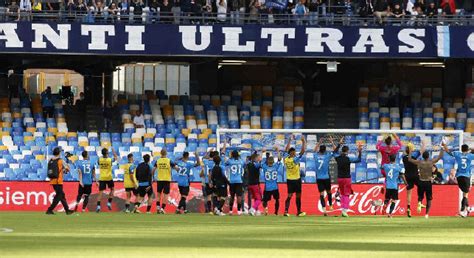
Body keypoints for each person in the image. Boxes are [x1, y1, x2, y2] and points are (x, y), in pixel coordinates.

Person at [408, 145, 445, 219]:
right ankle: (426, 214)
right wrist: (442, 148)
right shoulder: (431, 162)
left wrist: (410, 151)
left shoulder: (419, 162)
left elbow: (409, 160)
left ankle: (419, 202)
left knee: (420, 196)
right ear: (428, 157)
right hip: (428, 182)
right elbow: (440, 157)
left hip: (421, 181)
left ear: (422, 156)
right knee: (429, 199)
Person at [443, 144, 474, 217]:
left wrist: (444, 145)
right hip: (466, 176)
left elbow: (448, 151)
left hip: (459, 176)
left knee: (464, 193)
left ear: (461, 149)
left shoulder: (457, 154)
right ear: (467, 149)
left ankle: (467, 209)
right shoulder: (470, 155)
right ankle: (463, 211)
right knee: (465, 194)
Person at [334, 142, 363, 217]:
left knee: (342, 194)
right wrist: (359, 151)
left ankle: (342, 210)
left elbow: (334, 152)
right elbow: (359, 159)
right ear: (347, 151)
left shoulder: (337, 158)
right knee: (346, 194)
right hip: (347, 178)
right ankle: (345, 211)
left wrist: (339, 144)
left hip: (340, 178)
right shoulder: (349, 159)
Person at [314, 136, 341, 216]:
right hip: (326, 178)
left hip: (319, 178)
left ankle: (324, 210)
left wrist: (319, 143)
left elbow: (314, 150)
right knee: (329, 192)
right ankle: (330, 205)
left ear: (319, 150)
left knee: (321, 194)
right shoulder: (327, 156)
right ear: (325, 150)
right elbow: (335, 150)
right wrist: (332, 142)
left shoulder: (315, 156)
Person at [46, 147, 74, 215]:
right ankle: (50, 209)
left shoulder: (50, 160)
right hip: (58, 181)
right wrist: (65, 168)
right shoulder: (61, 160)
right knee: (59, 196)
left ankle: (67, 210)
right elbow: (67, 169)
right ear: (59, 153)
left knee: (62, 195)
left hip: (53, 180)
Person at [283, 134, 306, 217]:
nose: (295, 153)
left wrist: (289, 140)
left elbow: (286, 150)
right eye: (294, 152)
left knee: (289, 195)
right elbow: (302, 152)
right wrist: (303, 142)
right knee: (298, 196)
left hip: (289, 179)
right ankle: (299, 211)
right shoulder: (295, 159)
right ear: (292, 153)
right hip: (296, 179)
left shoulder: (286, 158)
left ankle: (286, 211)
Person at [401, 142, 424, 218]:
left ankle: (408, 208)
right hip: (415, 175)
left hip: (408, 176)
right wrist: (423, 144)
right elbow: (422, 151)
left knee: (409, 193)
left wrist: (407, 147)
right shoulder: (414, 157)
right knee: (421, 187)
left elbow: (405, 152)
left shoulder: (404, 158)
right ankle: (419, 202)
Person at [154, 149, 177, 214]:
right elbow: (176, 168)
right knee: (166, 195)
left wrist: (153, 177)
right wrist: (177, 168)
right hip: (166, 180)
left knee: (158, 194)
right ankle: (162, 208)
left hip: (159, 180)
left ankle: (158, 208)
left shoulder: (157, 161)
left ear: (160, 153)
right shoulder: (169, 161)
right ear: (166, 153)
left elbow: (153, 169)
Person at [224, 149, 246, 215]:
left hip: (232, 181)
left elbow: (225, 163)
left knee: (232, 196)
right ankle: (239, 211)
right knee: (239, 196)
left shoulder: (230, 161)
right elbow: (244, 165)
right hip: (239, 180)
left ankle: (230, 211)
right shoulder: (241, 161)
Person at [96, 147, 118, 212]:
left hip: (102, 178)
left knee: (100, 193)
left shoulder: (99, 160)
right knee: (112, 189)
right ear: (107, 153)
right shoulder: (109, 160)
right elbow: (116, 158)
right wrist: (113, 151)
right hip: (109, 177)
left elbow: (98, 163)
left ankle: (98, 206)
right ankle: (109, 202)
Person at [262, 148, 282, 216]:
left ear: (268, 162)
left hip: (267, 187)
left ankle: (266, 208)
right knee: (277, 200)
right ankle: (276, 212)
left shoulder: (264, 167)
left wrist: (263, 153)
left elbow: (262, 162)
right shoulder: (275, 166)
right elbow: (279, 159)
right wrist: (278, 151)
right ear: (273, 162)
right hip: (275, 187)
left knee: (265, 200)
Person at [247, 151, 263, 216]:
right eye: (258, 157)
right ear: (256, 158)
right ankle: (252, 209)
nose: (260, 158)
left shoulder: (249, 164)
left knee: (256, 198)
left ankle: (257, 211)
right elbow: (261, 164)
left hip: (249, 184)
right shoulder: (256, 165)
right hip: (255, 184)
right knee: (259, 198)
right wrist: (262, 152)